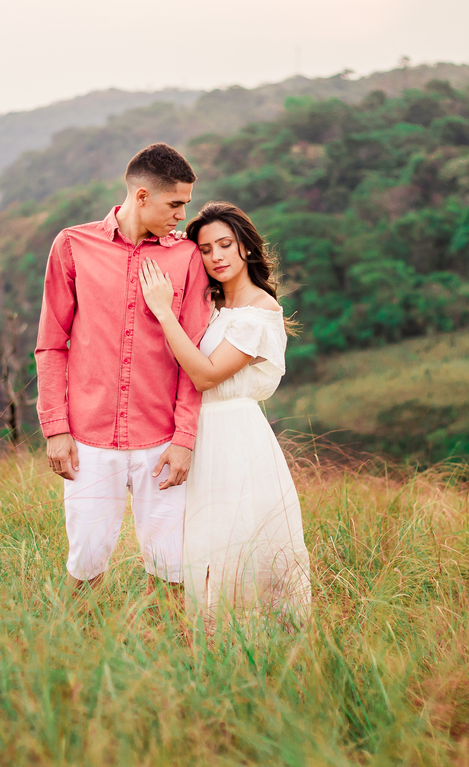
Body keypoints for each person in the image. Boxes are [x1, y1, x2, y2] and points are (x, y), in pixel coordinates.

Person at [35, 143, 212, 595]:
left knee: (171, 571)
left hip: (162, 442)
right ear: (141, 197)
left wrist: (185, 440)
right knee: (85, 565)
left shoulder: (187, 258)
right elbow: (52, 344)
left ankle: (167, 660)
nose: (181, 215)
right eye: (175, 204)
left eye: (185, 204)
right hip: (88, 440)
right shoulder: (73, 246)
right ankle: (72, 655)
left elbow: (193, 355)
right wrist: (56, 428)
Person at [139, 200, 311, 628]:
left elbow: (205, 375)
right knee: (193, 540)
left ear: (246, 247)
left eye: (224, 245)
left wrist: (162, 311)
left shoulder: (259, 311)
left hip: (233, 434)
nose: (215, 257)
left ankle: (249, 637)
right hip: (194, 431)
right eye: (204, 249)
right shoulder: (209, 304)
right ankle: (195, 635)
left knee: (236, 539)